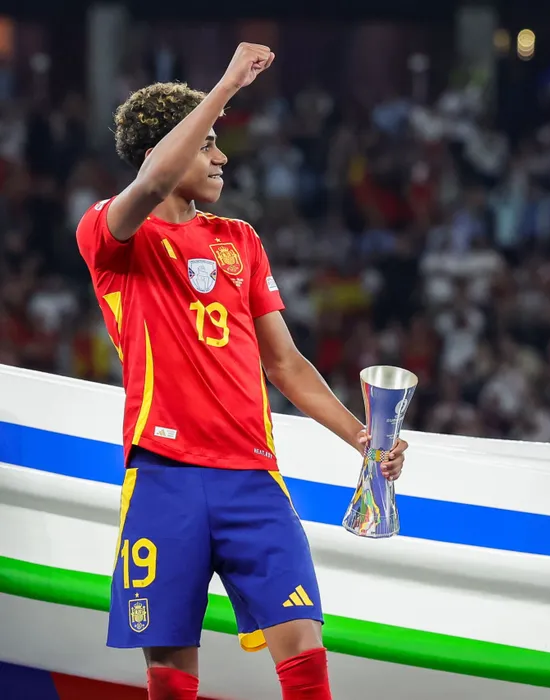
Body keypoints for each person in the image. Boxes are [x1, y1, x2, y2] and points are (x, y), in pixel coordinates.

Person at [75, 43, 409, 700]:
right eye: (206, 145)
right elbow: (149, 187)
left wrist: (363, 437)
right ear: (165, 151)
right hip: (163, 477)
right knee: (170, 677)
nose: (221, 157)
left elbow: (285, 363)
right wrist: (225, 85)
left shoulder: (240, 241)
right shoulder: (111, 236)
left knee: (306, 652)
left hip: (253, 479)